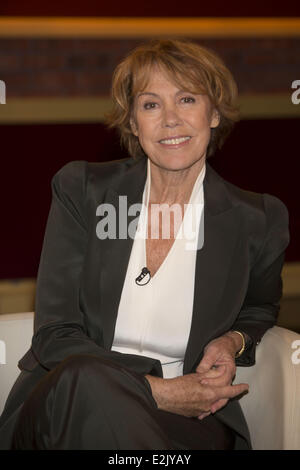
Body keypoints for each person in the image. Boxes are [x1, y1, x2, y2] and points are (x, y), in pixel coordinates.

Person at [0, 39, 289, 450]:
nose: (170, 120)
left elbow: (259, 307)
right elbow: (55, 334)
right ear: (133, 123)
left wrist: (232, 341)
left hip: (190, 419)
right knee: (86, 379)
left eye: (187, 99)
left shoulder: (258, 219)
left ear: (215, 113)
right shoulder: (83, 190)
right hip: (64, 404)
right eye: (151, 105)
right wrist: (156, 389)